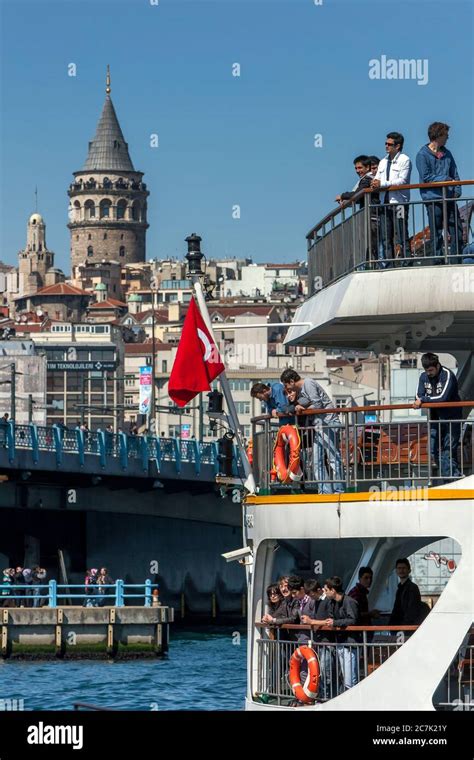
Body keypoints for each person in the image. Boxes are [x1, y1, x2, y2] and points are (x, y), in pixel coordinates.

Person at [280, 369, 344, 494]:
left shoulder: (308, 383)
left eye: (286, 385)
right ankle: (325, 491)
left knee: (333, 458)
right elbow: (301, 404)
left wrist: (303, 408)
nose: (287, 388)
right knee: (317, 461)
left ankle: (338, 490)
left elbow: (318, 405)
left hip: (328, 423)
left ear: (292, 382)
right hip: (319, 426)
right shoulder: (302, 391)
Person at [303, 576, 360, 697]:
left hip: (349, 643)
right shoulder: (333, 603)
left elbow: (353, 620)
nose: (324, 592)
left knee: (350, 679)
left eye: (326, 590)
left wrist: (334, 623)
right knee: (345, 677)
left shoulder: (349, 601)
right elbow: (331, 619)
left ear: (333, 590)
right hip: (340, 642)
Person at [416, 122, 463, 263]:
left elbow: (455, 173)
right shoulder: (422, 154)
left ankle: (457, 259)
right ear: (438, 135)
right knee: (436, 232)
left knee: (457, 231)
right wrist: (446, 179)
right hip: (433, 199)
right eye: (446, 135)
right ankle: (438, 260)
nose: (448, 138)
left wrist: (457, 190)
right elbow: (426, 177)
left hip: (449, 198)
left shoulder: (447, 153)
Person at [413, 352, 463, 479]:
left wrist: (424, 399)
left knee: (448, 451)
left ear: (438, 366)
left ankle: (451, 479)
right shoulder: (423, 377)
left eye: (430, 370)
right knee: (433, 449)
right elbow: (417, 396)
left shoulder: (447, 375)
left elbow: (443, 398)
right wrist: (423, 399)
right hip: (435, 418)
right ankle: (452, 476)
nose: (428, 373)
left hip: (452, 418)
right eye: (426, 370)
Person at [371, 132, 412, 267]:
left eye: (389, 144)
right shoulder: (383, 162)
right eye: (385, 143)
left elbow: (402, 180)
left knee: (401, 234)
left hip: (399, 203)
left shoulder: (405, 160)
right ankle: (389, 265)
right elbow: (377, 178)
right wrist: (375, 183)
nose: (386, 146)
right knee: (385, 236)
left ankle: (406, 262)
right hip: (385, 203)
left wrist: (382, 184)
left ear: (398, 146)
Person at [389, 558, 423, 626]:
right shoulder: (399, 588)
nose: (401, 570)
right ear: (396, 571)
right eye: (399, 568)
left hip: (405, 627)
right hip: (399, 626)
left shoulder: (412, 588)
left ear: (409, 570)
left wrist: (404, 626)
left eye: (404, 568)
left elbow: (412, 610)